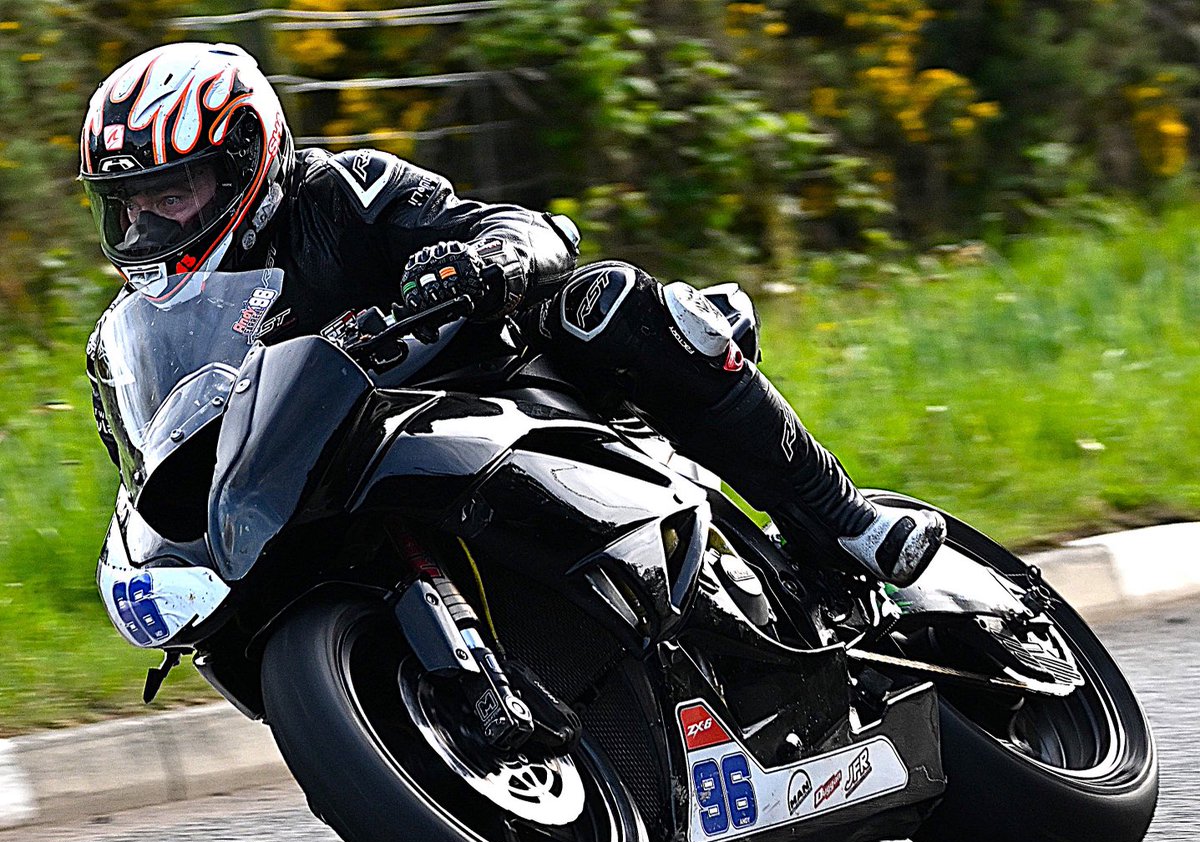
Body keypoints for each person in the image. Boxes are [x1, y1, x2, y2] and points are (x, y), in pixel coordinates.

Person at [81, 42, 945, 587]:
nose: (151, 225)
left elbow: (515, 226)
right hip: (343, 483)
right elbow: (160, 452)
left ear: (244, 157)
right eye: (131, 206)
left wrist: (486, 259)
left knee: (606, 303)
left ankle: (846, 519)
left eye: (173, 193)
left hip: (488, 388)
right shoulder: (146, 328)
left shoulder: (344, 192)